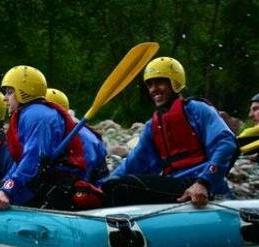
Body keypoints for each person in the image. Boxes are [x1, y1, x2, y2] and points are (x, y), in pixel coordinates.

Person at [102, 57, 238, 208]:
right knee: (112, 185)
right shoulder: (152, 126)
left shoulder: (198, 110)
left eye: (160, 82)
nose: (154, 89)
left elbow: (226, 145)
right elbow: (134, 162)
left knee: (120, 187)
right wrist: (103, 185)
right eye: (150, 84)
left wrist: (204, 182)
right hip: (175, 185)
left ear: (175, 83)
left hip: (202, 182)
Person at [0, 65, 108, 211]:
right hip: (43, 183)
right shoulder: (29, 114)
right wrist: (6, 185)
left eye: (9, 92)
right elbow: (24, 162)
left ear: (22, 92)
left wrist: (7, 191)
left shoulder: (36, 116)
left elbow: (34, 158)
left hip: (55, 188)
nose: (5, 98)